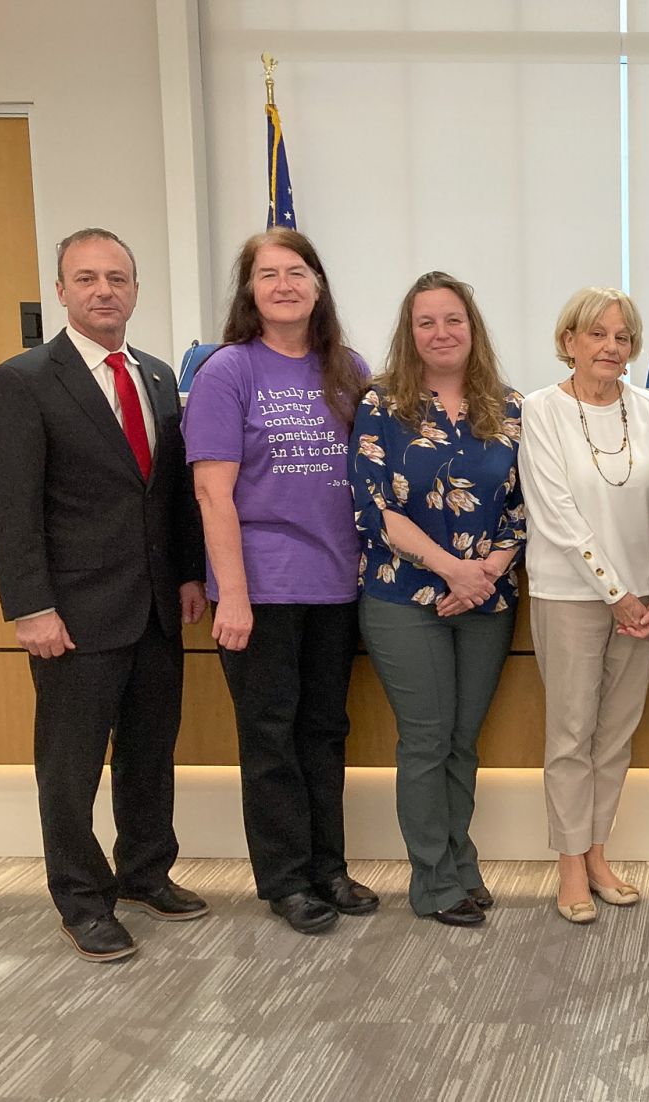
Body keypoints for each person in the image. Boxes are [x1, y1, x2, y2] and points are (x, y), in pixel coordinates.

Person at [0, 228, 209, 962]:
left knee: (150, 753)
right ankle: (82, 899)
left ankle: (146, 872)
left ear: (135, 290)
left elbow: (168, 495)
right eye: (87, 279)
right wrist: (29, 607)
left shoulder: (157, 374)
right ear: (62, 292)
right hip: (71, 615)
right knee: (71, 765)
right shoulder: (22, 381)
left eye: (117, 278)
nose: (103, 290)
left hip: (155, 608)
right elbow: (10, 509)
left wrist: (188, 574)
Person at [182, 228, 377, 935]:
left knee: (324, 731)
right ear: (250, 292)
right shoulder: (227, 372)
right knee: (269, 739)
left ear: (319, 285)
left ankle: (328, 867)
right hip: (260, 587)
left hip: (336, 584)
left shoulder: (347, 368)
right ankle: (286, 880)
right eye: (269, 275)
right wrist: (232, 593)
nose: (285, 284)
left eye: (298, 272)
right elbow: (212, 494)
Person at [348, 271, 525, 928]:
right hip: (404, 596)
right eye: (426, 322)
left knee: (461, 739)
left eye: (453, 319)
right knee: (425, 739)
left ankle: (460, 860)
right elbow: (374, 507)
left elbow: (523, 501)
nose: (441, 332)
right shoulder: (380, 405)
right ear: (409, 332)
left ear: (472, 328)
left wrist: (487, 571)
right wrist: (454, 569)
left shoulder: (507, 405)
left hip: (488, 600)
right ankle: (432, 880)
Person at [522, 287, 649, 925]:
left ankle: (596, 853)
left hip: (643, 600)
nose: (611, 347)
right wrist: (614, 592)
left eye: (622, 337)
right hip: (570, 594)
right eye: (597, 335)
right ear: (569, 341)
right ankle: (567, 865)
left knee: (615, 736)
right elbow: (556, 513)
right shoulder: (540, 411)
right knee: (570, 734)